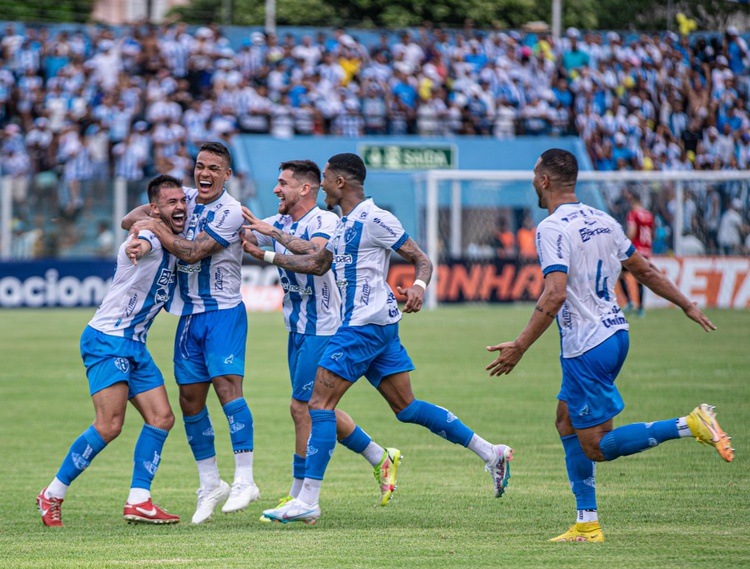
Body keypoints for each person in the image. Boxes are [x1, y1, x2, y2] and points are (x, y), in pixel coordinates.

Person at [243, 153, 513, 524]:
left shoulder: (375, 218)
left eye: (325, 178)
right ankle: (491, 452)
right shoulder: (344, 224)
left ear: (340, 182)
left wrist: (419, 286)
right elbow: (317, 263)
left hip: (361, 326)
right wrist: (267, 253)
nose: (321, 185)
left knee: (318, 407)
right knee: (407, 408)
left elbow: (421, 259)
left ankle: (308, 499)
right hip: (380, 326)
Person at [485, 149, 734, 543]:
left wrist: (519, 346)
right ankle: (586, 522)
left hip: (586, 345)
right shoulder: (603, 220)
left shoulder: (552, 228)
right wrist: (685, 303)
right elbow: (643, 269)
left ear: (545, 181)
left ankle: (690, 425)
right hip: (615, 333)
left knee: (597, 446)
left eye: (535, 175)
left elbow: (554, 295)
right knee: (565, 421)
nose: (533, 180)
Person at [242, 159, 402, 516]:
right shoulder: (279, 220)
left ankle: (299, 495)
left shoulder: (326, 221)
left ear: (306, 188)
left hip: (325, 325)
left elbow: (315, 255)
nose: (275, 189)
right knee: (315, 407)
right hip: (297, 327)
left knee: (303, 408)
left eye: (282, 183)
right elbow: (244, 230)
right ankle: (380, 456)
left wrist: (266, 250)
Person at [37, 174, 188, 527]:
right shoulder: (149, 233)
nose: (180, 207)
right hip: (108, 339)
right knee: (109, 425)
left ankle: (139, 500)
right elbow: (142, 239)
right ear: (155, 208)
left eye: (182, 200)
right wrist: (139, 245)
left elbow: (136, 220)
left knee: (162, 418)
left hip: (134, 343)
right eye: (171, 202)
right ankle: (52, 493)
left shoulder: (171, 230)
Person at [123, 141, 259, 524]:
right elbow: (128, 218)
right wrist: (148, 218)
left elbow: (193, 252)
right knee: (189, 401)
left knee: (228, 388)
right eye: (200, 166)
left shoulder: (230, 211)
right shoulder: (184, 197)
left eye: (214, 168)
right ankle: (210, 483)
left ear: (228, 174)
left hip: (223, 313)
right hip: (188, 317)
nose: (205, 174)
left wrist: (154, 227)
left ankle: (245, 479)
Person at [620, 193, 654, 316]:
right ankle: (640, 308)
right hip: (646, 250)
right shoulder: (649, 215)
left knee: (620, 273)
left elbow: (632, 231)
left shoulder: (633, 214)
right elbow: (652, 234)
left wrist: (625, 245)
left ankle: (629, 302)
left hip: (635, 250)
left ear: (633, 202)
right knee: (641, 278)